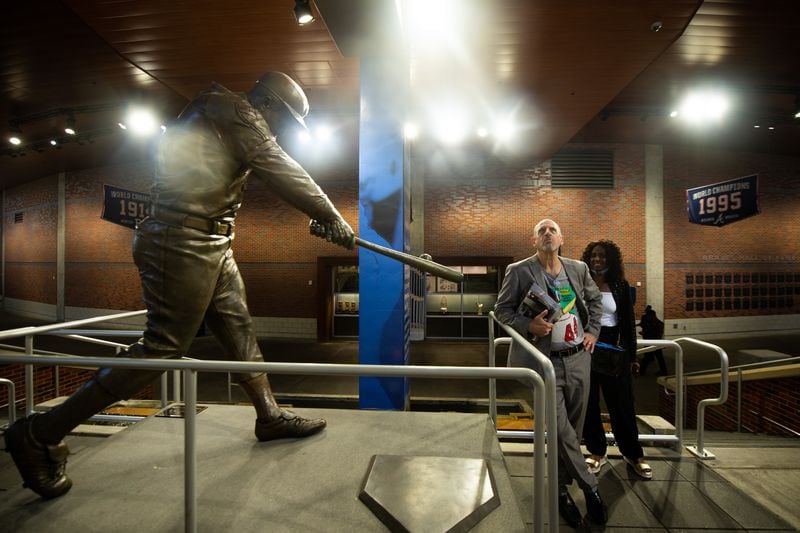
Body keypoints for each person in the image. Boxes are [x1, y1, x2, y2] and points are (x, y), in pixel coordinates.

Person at [4, 72, 355, 499]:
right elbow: (279, 166)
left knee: (239, 332)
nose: (281, 128)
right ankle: (39, 432)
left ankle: (269, 415)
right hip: (180, 240)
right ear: (265, 103)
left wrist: (320, 215)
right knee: (162, 347)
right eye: (282, 119)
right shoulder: (232, 110)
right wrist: (329, 214)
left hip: (212, 241)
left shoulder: (231, 113)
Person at [495, 218, 607, 528]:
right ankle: (591, 489)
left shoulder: (578, 269)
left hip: (579, 359)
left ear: (561, 238)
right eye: (541, 230)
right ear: (534, 241)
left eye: (552, 230)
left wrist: (593, 332)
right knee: (560, 430)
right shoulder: (519, 271)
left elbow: (595, 303)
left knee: (573, 427)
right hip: (545, 363)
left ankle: (558, 490)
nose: (547, 233)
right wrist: (527, 325)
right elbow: (502, 311)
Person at [581, 240, 652, 480]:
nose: (597, 259)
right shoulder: (580, 283)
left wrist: (632, 356)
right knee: (589, 404)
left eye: (602, 256)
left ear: (610, 260)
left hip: (613, 348)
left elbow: (628, 324)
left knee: (621, 404)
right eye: (593, 256)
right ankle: (596, 452)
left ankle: (634, 454)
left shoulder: (620, 286)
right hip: (585, 347)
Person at [639, 305, 667, 376]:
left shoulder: (646, 318)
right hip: (657, 341)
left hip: (651, 341)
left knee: (647, 356)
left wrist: (644, 332)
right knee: (658, 357)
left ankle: (641, 371)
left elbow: (646, 328)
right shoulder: (657, 321)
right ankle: (664, 371)